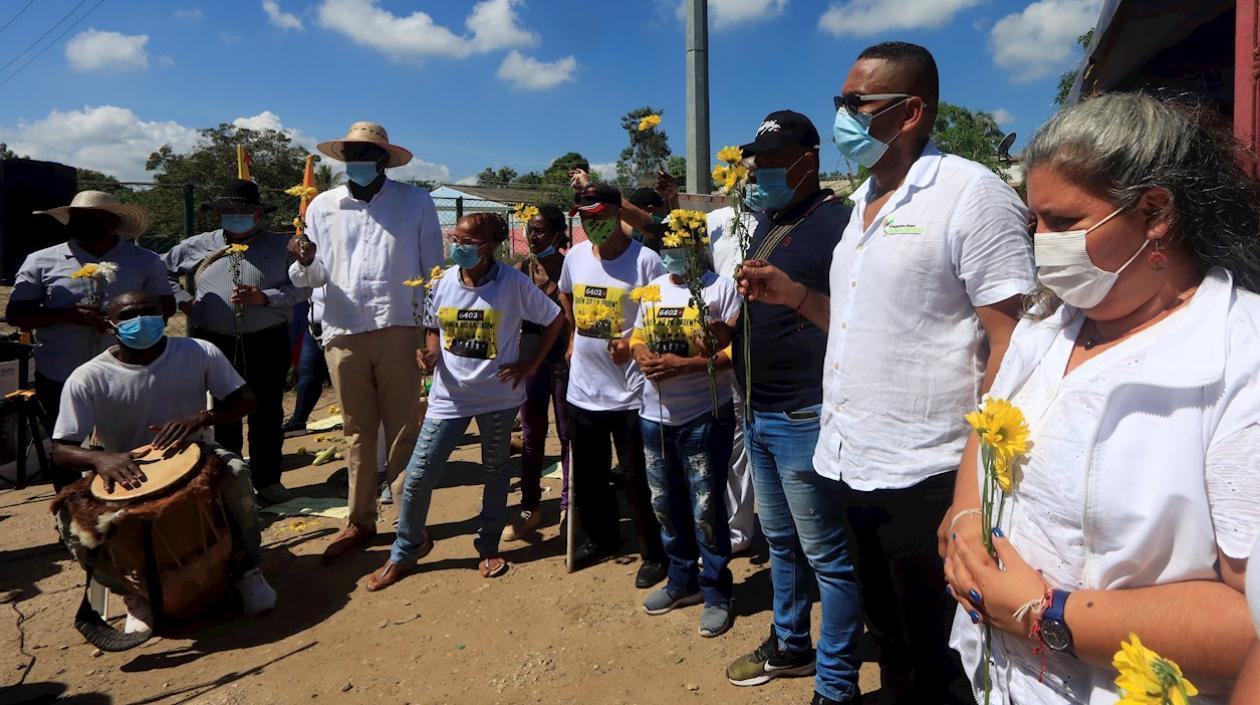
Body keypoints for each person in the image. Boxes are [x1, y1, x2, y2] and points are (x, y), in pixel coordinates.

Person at [942, 92, 1260, 704]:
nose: (1040, 242)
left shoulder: (1238, 361)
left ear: (1156, 212)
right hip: (1000, 680)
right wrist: (964, 522)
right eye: (1033, 221)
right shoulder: (1051, 323)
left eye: (1062, 223)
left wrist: (1046, 614)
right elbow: (988, 424)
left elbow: (1249, 621)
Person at [743, 43, 1035, 703]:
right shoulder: (864, 203)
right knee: (893, 646)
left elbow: (1012, 347)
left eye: (855, 104)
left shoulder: (969, 194)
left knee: (946, 661)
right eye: (838, 103)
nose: (842, 116)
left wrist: (972, 488)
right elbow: (851, 321)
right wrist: (793, 296)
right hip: (850, 462)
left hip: (930, 475)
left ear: (909, 113)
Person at [722, 111, 861, 705]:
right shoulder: (769, 222)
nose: (761, 170)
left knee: (828, 556)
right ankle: (790, 642)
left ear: (809, 159)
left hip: (806, 413)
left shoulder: (840, 223)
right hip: (757, 409)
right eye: (758, 160)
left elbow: (856, 315)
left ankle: (836, 685)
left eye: (775, 160)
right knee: (780, 541)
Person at [50, 290, 276, 631]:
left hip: (196, 453)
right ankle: (134, 594)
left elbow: (245, 401)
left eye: (148, 311)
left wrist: (202, 418)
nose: (139, 320)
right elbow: (61, 448)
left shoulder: (198, 351)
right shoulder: (88, 376)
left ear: (164, 316)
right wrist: (102, 459)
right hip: (123, 466)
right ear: (111, 326)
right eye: (127, 316)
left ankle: (248, 569)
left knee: (236, 472)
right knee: (69, 520)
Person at [366, 214, 563, 590]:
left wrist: (530, 364)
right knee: (417, 477)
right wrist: (429, 354)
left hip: (497, 398)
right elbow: (433, 328)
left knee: (495, 472)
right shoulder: (441, 282)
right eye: (454, 237)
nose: (457, 245)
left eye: (466, 240)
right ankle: (406, 549)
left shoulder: (514, 283)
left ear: (489, 244)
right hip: (448, 399)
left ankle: (487, 547)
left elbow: (553, 318)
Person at [288, 121, 444, 562]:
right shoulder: (322, 206)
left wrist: (432, 332)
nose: (357, 163)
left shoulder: (415, 202)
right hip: (342, 329)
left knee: (403, 428)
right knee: (356, 430)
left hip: (399, 324)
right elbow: (313, 277)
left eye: (366, 155)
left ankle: (408, 524)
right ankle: (360, 521)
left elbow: (433, 269)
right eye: (351, 155)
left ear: (383, 160)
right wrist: (303, 263)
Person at [8, 192, 174, 488]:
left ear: (114, 222)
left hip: (129, 374)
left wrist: (127, 317)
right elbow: (18, 313)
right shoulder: (41, 261)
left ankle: (132, 515)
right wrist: (63, 314)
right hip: (61, 373)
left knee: (132, 447)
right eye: (79, 219)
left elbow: (166, 306)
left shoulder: (144, 260)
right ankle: (73, 522)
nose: (85, 224)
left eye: (95, 219)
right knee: (68, 454)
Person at [164, 180, 308, 505]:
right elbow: (160, 271)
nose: (235, 216)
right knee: (223, 412)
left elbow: (302, 289)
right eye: (227, 211)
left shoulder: (280, 247)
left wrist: (265, 297)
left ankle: (268, 481)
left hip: (266, 340)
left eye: (242, 211)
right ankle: (231, 481)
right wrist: (183, 299)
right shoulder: (198, 245)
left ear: (259, 214)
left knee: (267, 411)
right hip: (215, 342)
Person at [630, 224, 740, 638]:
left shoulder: (720, 289)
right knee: (665, 503)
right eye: (667, 246)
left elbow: (733, 351)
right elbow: (639, 333)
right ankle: (681, 581)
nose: (672, 252)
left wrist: (684, 366)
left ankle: (716, 591)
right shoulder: (654, 288)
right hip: (654, 415)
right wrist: (641, 355)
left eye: (681, 245)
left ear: (698, 248)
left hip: (703, 415)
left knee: (706, 507)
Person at [559, 183, 669, 589]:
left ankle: (654, 552)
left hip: (631, 394)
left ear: (618, 215)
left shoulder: (646, 262)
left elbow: (663, 311)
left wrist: (635, 338)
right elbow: (565, 296)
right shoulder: (574, 257)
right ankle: (602, 539)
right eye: (586, 219)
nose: (593, 226)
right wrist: (573, 338)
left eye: (600, 217)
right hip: (583, 391)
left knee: (639, 478)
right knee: (589, 476)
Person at [502, 205, 572, 541]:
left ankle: (568, 507)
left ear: (558, 234)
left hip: (563, 361)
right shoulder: (520, 270)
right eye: (530, 229)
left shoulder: (569, 267)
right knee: (531, 434)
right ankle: (530, 506)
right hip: (529, 362)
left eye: (541, 230)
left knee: (567, 434)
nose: (532, 236)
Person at [706, 191, 763, 554]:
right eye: (747, 174)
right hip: (722, 340)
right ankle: (724, 524)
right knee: (722, 440)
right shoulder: (715, 221)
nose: (752, 182)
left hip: (759, 342)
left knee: (749, 441)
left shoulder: (772, 221)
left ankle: (746, 528)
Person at [282, 287, 330, 437]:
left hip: (342, 331)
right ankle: (298, 422)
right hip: (314, 329)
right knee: (307, 377)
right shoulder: (312, 267)